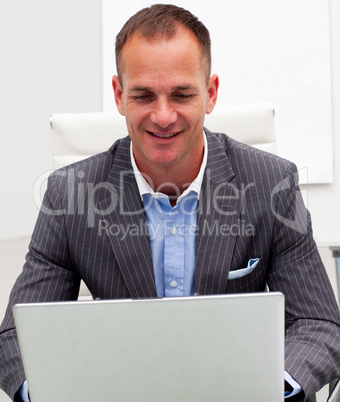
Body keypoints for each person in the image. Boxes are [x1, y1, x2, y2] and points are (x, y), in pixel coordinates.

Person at [1, 4, 340, 401]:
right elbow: (15, 338)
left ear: (210, 94)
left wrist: (269, 388)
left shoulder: (272, 185)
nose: (163, 117)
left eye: (181, 94)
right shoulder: (69, 197)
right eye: (144, 95)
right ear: (119, 95)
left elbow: (317, 322)